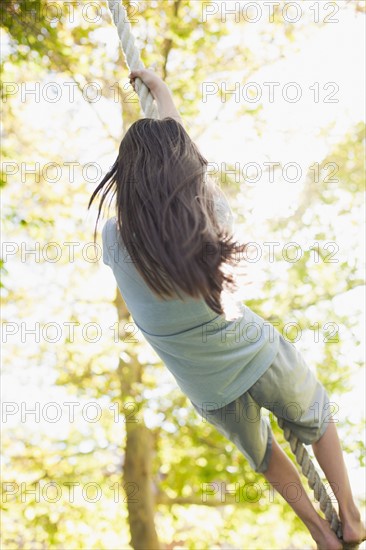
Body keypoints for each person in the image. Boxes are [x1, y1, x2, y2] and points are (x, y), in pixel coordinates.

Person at [88, 68, 365, 549]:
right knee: (315, 414)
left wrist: (162, 114)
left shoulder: (114, 238)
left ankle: (321, 531)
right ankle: (352, 514)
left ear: (125, 176)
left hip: (208, 388)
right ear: (181, 168)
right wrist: (165, 101)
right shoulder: (207, 212)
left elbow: (169, 172)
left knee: (264, 453)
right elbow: (188, 170)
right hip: (255, 353)